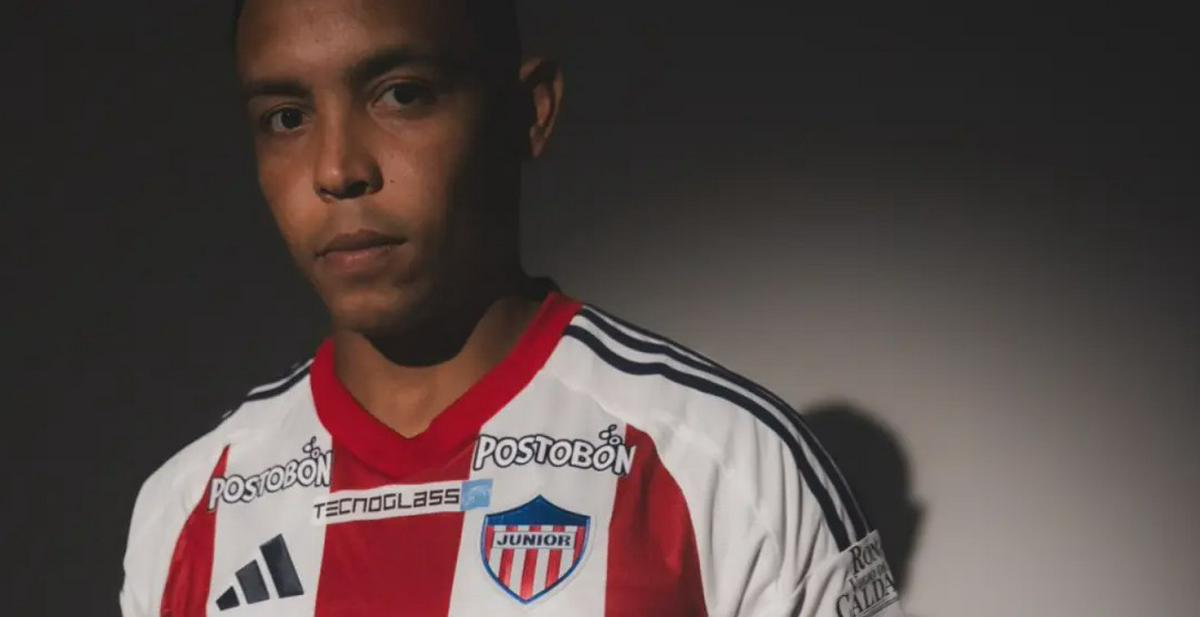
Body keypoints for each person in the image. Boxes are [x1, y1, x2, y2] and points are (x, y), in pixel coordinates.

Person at [120, 1, 907, 615]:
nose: (337, 167)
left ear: (530, 111)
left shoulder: (729, 468)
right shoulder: (189, 505)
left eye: (401, 94)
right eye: (287, 117)